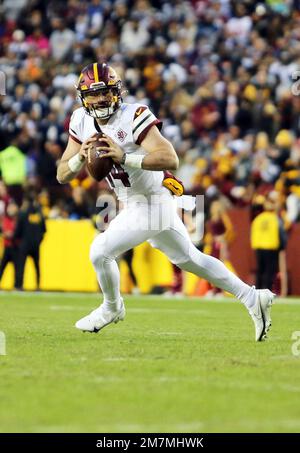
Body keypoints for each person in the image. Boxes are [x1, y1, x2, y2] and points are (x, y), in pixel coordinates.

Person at [57, 62, 274, 341]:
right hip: (133, 201)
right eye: (94, 94)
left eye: (106, 92)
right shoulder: (80, 121)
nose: (100, 99)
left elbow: (170, 158)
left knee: (100, 251)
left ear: (117, 92)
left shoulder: (133, 115)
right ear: (82, 97)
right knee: (189, 259)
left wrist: (125, 157)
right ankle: (253, 297)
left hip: (151, 200)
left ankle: (112, 308)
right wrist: (79, 156)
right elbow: (63, 174)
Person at [14, 189, 47, 290]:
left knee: (21, 265)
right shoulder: (39, 213)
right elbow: (44, 229)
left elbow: (18, 230)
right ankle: (38, 286)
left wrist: (17, 239)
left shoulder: (22, 213)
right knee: (37, 266)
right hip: (35, 244)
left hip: (24, 243)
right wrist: (39, 240)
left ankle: (19, 285)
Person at [0, 200, 19, 288]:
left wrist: (12, 234)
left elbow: (17, 232)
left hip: (16, 247)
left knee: (17, 269)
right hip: (7, 246)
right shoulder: (6, 219)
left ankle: (17, 286)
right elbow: (5, 232)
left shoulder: (18, 219)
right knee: (2, 267)